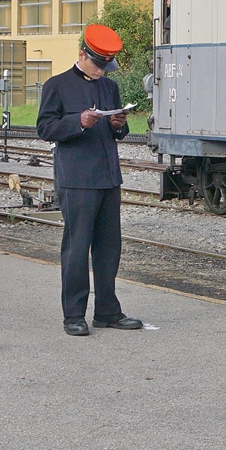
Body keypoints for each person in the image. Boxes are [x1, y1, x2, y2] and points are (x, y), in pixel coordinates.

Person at [37, 23, 142, 336]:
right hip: (77, 179)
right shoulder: (56, 85)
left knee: (109, 248)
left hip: (108, 178)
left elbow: (117, 132)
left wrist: (118, 124)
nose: (101, 70)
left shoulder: (109, 87)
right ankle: (74, 315)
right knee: (77, 248)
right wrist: (78, 122)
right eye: (97, 63)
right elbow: (44, 129)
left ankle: (107, 311)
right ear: (82, 54)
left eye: (106, 65)